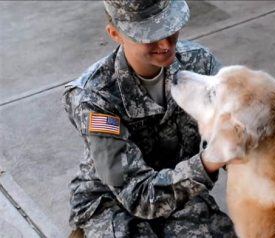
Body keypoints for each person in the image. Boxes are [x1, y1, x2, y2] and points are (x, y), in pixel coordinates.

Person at [63, 0, 237, 237]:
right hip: (111, 202)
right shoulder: (93, 96)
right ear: (115, 34)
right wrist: (208, 162)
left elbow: (236, 128)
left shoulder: (199, 64)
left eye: (168, 27)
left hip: (179, 189)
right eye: (149, 35)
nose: (166, 43)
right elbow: (137, 195)